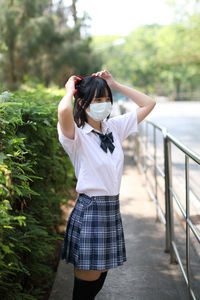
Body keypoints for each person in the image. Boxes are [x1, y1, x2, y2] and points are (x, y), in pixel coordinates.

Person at [57, 70, 156, 300]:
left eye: (107, 99)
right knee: (84, 291)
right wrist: (69, 89)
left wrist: (115, 85)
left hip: (111, 211)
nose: (105, 104)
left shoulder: (113, 128)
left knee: (98, 281)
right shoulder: (76, 135)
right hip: (91, 212)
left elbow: (148, 103)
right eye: (98, 99)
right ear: (82, 103)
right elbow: (63, 110)